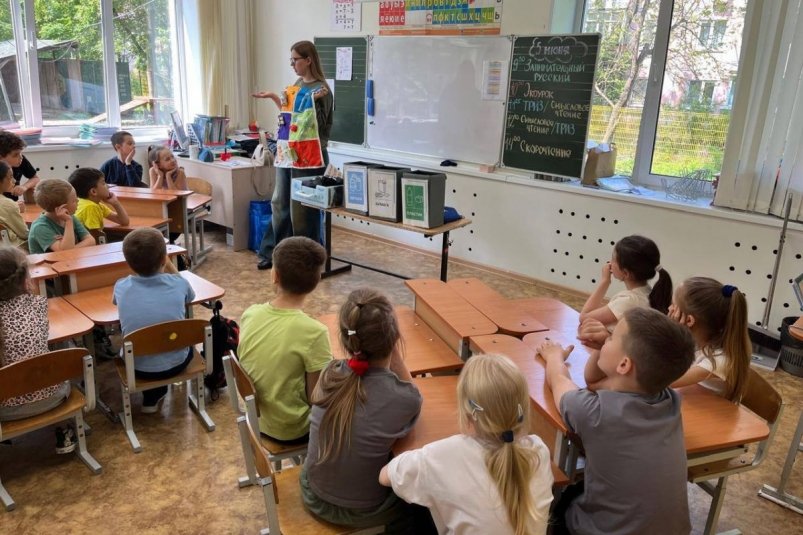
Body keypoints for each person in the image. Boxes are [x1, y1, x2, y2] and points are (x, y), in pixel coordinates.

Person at [539, 307, 695, 535]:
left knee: (561, 500)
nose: (606, 338)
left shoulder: (595, 412)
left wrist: (553, 355)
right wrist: (605, 348)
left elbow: (558, 379)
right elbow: (596, 384)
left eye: (611, 337)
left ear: (623, 365)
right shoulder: (669, 399)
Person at [379, 354, 554, 535]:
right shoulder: (539, 450)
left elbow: (384, 476)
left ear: (469, 412)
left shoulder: (444, 455)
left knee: (418, 510)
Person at [301, 288, 423, 532]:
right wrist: (393, 348)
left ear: (346, 338)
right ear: (394, 339)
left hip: (313, 493)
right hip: (363, 510)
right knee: (420, 501)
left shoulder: (329, 373)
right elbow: (412, 392)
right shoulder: (404, 399)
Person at [238, 236, 332, 442]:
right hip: (292, 429)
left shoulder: (250, 313)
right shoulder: (315, 332)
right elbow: (316, 398)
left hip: (255, 417)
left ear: (275, 276)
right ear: (316, 281)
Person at [253, 40, 333, 270]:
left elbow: (316, 125)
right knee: (279, 202)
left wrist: (311, 102)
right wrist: (273, 97)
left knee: (302, 209)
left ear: (308, 60)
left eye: (295, 60)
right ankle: (276, 253)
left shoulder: (322, 90)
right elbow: (290, 117)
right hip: (289, 152)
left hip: (309, 157)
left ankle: (305, 258)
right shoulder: (297, 85)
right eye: (291, 60)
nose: (292, 64)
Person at [0, 246, 75, 453]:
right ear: (25, 279)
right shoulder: (38, 304)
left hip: (5, 412)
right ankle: (64, 429)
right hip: (54, 398)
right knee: (62, 349)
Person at [113, 227, 194, 413]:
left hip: (136, 368)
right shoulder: (179, 283)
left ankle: (152, 396)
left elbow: (115, 302)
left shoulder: (121, 286)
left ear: (129, 264)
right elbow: (190, 295)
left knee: (144, 341)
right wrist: (170, 265)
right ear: (164, 259)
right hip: (178, 364)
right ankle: (157, 391)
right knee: (166, 338)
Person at [577, 235, 672, 346]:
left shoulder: (629, 301)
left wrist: (605, 281)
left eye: (613, 259)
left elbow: (584, 317)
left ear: (625, 273)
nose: (610, 262)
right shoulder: (649, 293)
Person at [668, 277, 750, 402]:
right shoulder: (698, 343)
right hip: (695, 401)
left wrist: (669, 330)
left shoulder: (719, 361)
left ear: (689, 320)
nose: (669, 309)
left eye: (673, 305)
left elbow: (663, 381)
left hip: (714, 412)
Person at [28, 179, 95, 254]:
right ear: (62, 208)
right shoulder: (40, 227)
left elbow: (91, 241)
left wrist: (72, 249)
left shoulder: (71, 217)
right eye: (73, 200)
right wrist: (68, 222)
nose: (78, 200)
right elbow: (65, 252)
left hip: (70, 260)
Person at [69, 167, 130, 231]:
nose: (108, 186)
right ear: (93, 192)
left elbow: (124, 221)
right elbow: (95, 235)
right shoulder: (91, 207)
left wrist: (115, 203)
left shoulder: (90, 203)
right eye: (103, 183)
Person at [0, 130, 40, 202]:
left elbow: (35, 178)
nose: (21, 157)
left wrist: (24, 187)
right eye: (15, 155)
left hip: (12, 203)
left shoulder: (20, 161)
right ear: (1, 157)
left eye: (21, 153)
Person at [0, 161, 28, 248]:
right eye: (11, 176)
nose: (14, 180)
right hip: (16, 250)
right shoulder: (7, 204)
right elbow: (24, 234)